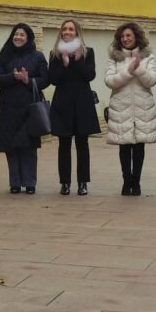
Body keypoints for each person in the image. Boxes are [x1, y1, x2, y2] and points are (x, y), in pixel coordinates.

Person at [0, 23, 49, 194]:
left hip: (29, 107)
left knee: (28, 146)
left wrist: (27, 80)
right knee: (10, 145)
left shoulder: (38, 56)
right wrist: (12, 76)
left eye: (22, 35)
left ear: (29, 38)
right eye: (16, 34)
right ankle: (15, 182)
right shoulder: (5, 55)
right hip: (8, 107)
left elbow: (46, 79)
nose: (18, 37)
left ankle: (30, 182)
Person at [104, 22, 156, 196]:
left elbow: (151, 80)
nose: (125, 39)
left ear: (136, 36)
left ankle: (136, 182)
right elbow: (109, 81)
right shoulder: (114, 57)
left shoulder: (148, 57)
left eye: (128, 35)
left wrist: (138, 69)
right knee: (124, 146)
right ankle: (126, 181)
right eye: (122, 36)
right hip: (121, 107)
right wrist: (128, 70)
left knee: (139, 146)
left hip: (142, 107)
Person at [48, 18, 101, 196]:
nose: (67, 32)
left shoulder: (88, 52)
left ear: (77, 32)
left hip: (82, 103)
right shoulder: (55, 53)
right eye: (65, 30)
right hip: (62, 103)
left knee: (82, 144)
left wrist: (78, 61)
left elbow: (90, 75)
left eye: (71, 29)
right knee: (63, 144)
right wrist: (64, 64)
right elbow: (53, 79)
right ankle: (65, 183)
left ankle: (83, 182)